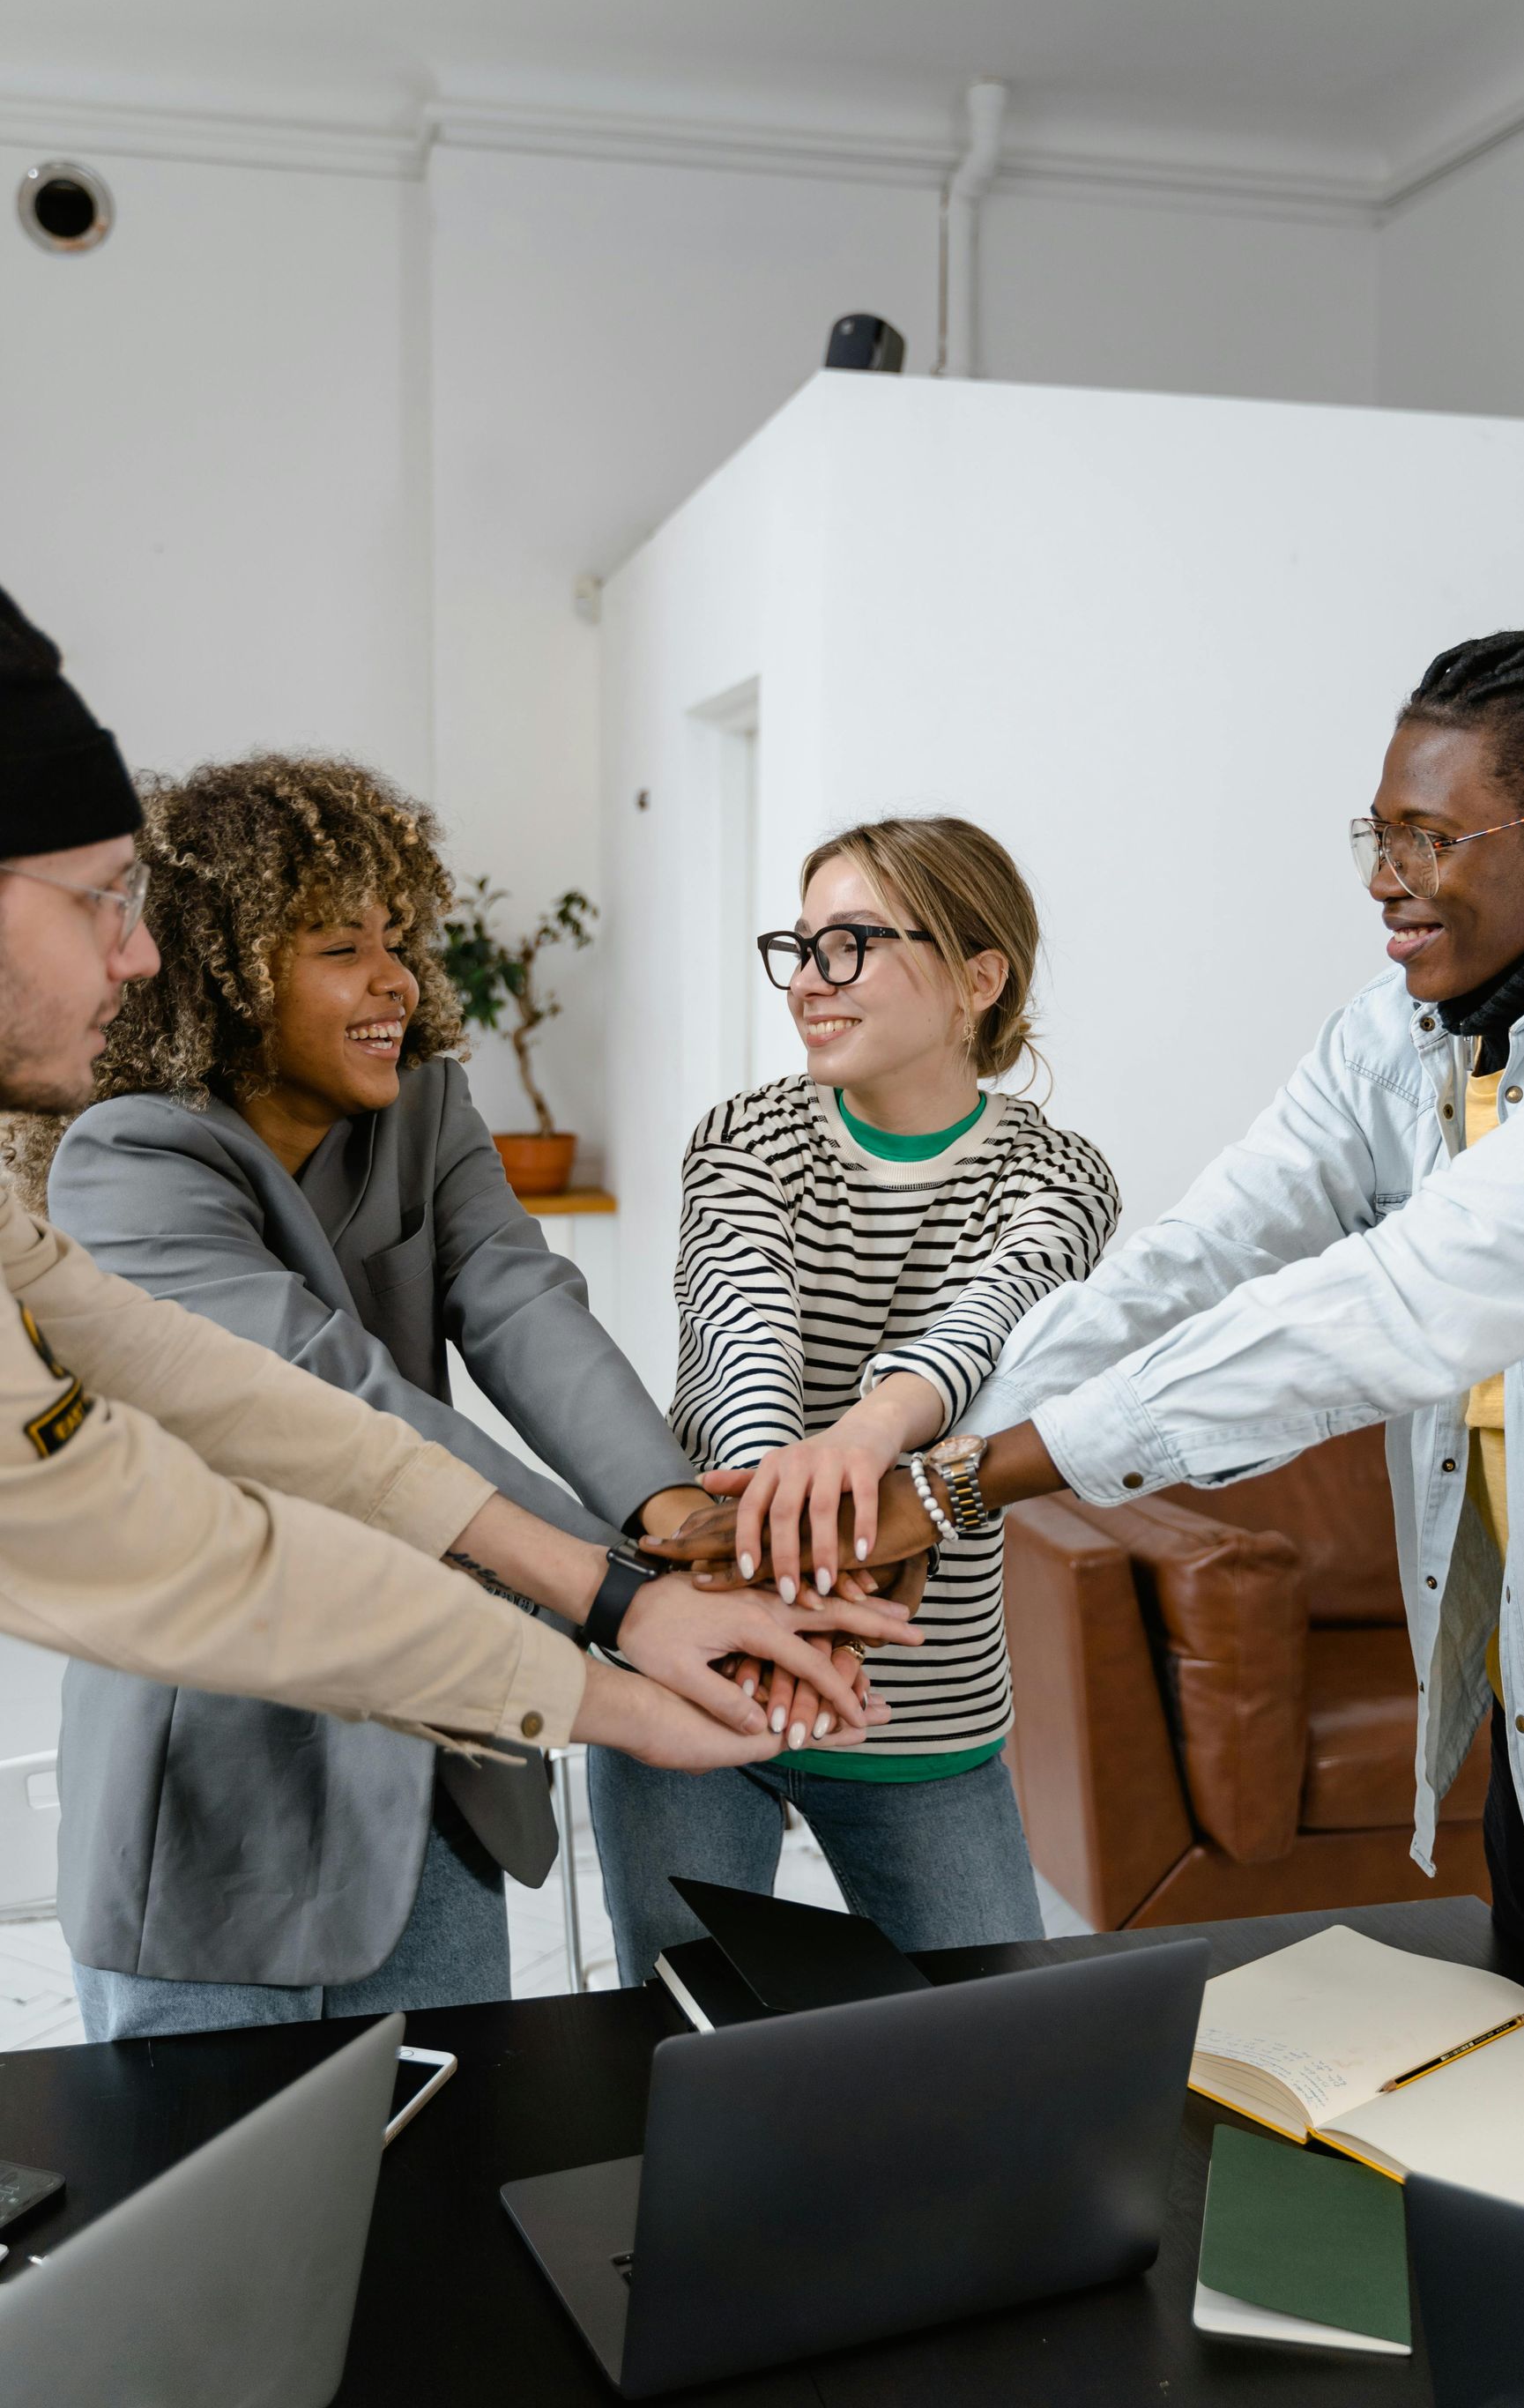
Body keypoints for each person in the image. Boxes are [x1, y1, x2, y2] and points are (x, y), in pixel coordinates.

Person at [665, 626, 1524, 2061]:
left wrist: (957, 1483)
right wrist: (899, 1452)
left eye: (1427, 838)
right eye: (1373, 836)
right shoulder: (1409, 1034)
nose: (1386, 882)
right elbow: (1193, 1259)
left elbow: (1390, 1305)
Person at [0, 584, 914, 2027]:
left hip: (451, 1737)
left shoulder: (424, 1099)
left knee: (451, 2165)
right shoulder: (132, 1160)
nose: (397, 983)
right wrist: (625, 1606)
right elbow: (334, 1405)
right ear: (228, 973)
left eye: (400, 937)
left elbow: (516, 1296)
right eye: (338, 949)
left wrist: (672, 1516)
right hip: (243, 1759)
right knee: (225, 2193)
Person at [594, 815, 1119, 1981]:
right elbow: (741, 1356)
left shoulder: (1061, 1178)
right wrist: (799, 1556)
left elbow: (982, 1334)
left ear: (978, 977)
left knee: (992, 2044)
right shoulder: (742, 1140)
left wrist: (876, 1428)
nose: (810, 983)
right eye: (801, 946)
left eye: (852, 945)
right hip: (704, 1661)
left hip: (918, 1701)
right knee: (682, 2045)